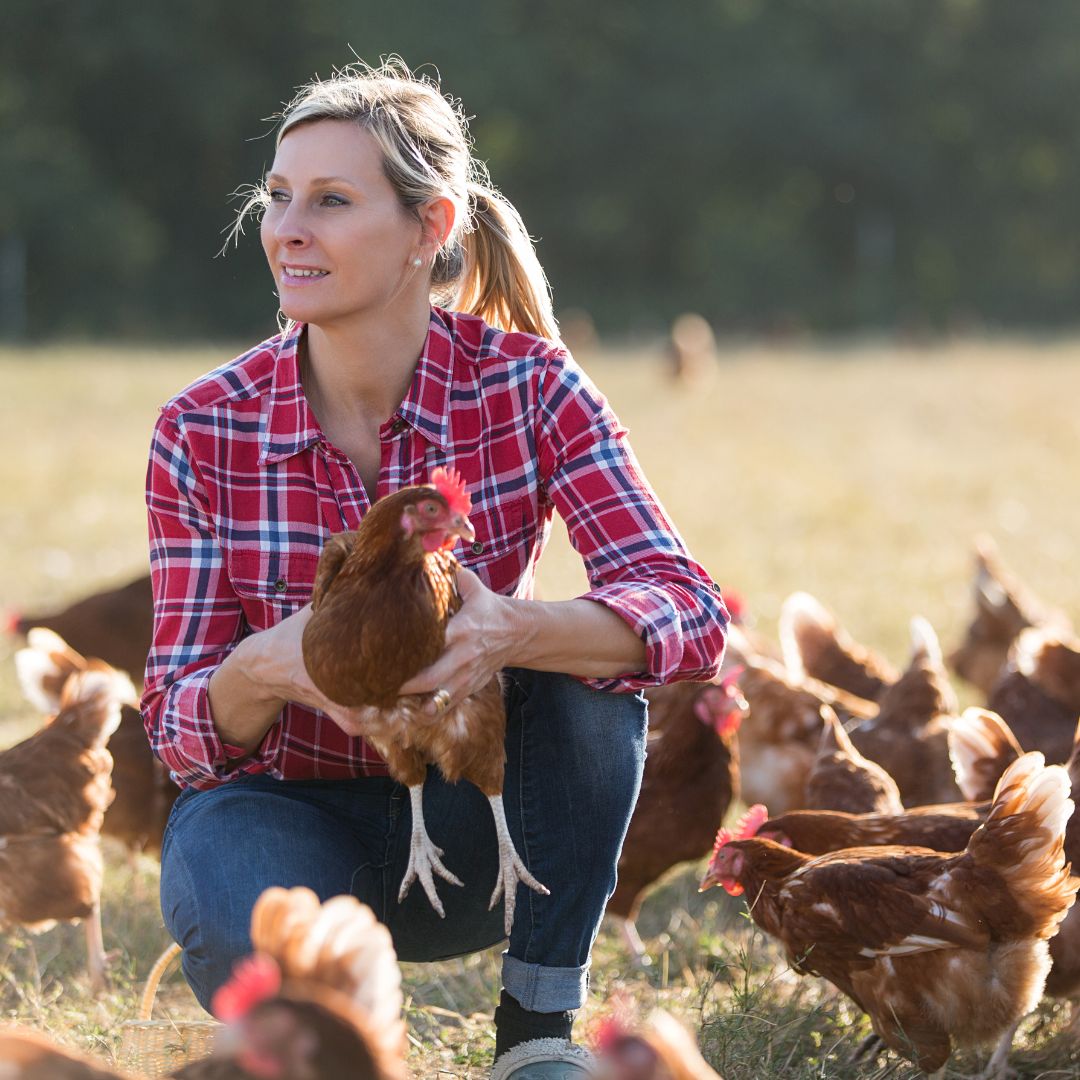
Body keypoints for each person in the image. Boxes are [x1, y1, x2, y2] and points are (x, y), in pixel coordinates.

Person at [142, 59, 729, 1080]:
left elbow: (686, 607)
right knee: (225, 859)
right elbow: (178, 731)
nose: (288, 228)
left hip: (490, 813)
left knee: (592, 688)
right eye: (277, 198)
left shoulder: (530, 386)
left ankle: (538, 1033)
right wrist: (266, 669)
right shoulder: (203, 428)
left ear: (429, 227)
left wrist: (518, 632)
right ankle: (325, 1049)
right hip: (289, 815)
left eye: (331, 201)